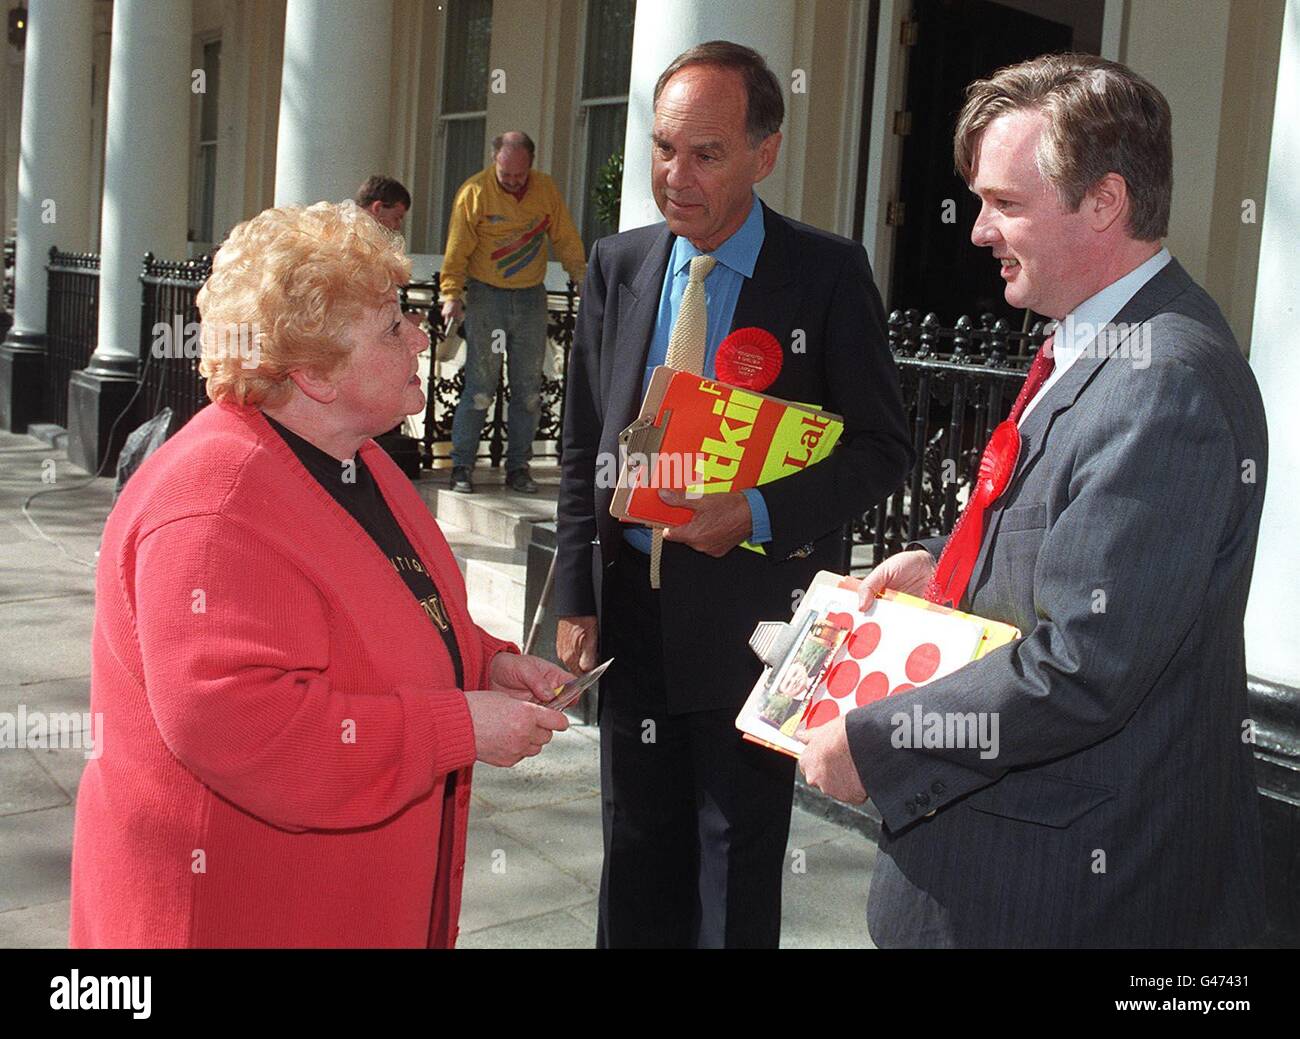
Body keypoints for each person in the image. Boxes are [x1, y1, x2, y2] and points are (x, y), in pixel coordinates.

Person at [799, 53, 1268, 948]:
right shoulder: (1093, 339)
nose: (977, 230)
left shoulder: (1163, 381)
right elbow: (1064, 530)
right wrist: (945, 561)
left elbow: (1084, 668)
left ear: (1105, 202)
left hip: (1064, 895)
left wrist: (878, 744)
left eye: (1005, 203)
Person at [69, 201, 573, 948]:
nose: (419, 335)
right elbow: (248, 729)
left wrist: (484, 660)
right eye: (391, 327)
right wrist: (457, 726)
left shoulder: (354, 456)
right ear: (312, 374)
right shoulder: (215, 505)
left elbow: (392, 612)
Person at [555, 41, 912, 948]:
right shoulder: (619, 264)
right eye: (663, 147)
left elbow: (879, 449)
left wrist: (753, 513)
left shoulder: (826, 276)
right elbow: (582, 445)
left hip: (757, 623)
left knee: (733, 867)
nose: (675, 176)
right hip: (634, 615)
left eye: (706, 153)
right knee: (634, 859)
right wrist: (575, 595)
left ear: (766, 152)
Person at [439, 131, 587, 494]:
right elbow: (457, 248)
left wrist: (582, 278)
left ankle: (519, 468)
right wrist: (450, 293)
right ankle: (462, 467)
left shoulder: (546, 190)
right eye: (506, 174)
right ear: (495, 162)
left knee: (528, 391)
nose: (512, 181)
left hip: (530, 299)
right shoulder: (474, 193)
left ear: (530, 166)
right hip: (487, 298)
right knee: (480, 387)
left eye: (519, 175)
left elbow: (565, 237)